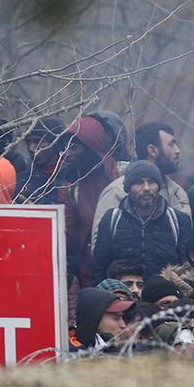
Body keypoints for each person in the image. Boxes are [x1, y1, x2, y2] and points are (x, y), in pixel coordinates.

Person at [91, 122, 192, 251]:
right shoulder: (117, 191)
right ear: (152, 151)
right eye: (171, 144)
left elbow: (188, 248)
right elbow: (99, 248)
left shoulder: (178, 193)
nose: (178, 150)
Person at [91, 161, 192, 284]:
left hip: (164, 298)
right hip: (124, 297)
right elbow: (100, 268)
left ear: (159, 186)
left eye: (151, 181)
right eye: (138, 182)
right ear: (128, 189)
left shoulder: (178, 220)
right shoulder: (112, 219)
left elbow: (187, 269)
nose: (146, 188)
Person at [58, 117, 120, 287]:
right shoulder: (70, 188)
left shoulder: (125, 177)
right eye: (64, 148)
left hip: (127, 273)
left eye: (73, 148)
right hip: (91, 276)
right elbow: (66, 237)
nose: (66, 154)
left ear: (93, 150)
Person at [16, 118, 66, 205]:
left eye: (38, 142)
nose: (31, 148)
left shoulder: (73, 177)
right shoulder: (22, 182)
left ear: (55, 143)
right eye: (28, 143)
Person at [69, 288, 134, 352]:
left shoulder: (113, 348)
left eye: (123, 318)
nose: (123, 325)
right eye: (116, 318)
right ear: (94, 320)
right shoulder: (67, 355)